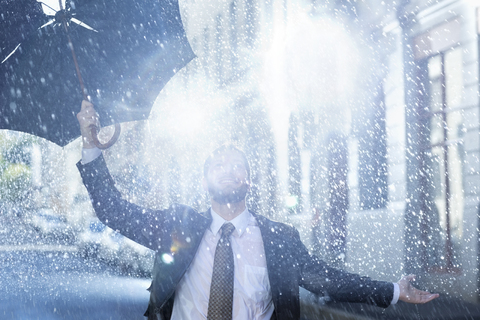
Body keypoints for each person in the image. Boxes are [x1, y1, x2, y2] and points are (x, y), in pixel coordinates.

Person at [76, 100, 439, 320]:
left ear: (249, 181)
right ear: (205, 182)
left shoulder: (280, 239)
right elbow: (113, 211)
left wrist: (391, 290)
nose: (228, 171)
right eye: (218, 165)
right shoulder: (179, 226)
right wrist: (90, 144)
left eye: (237, 166)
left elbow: (325, 280)